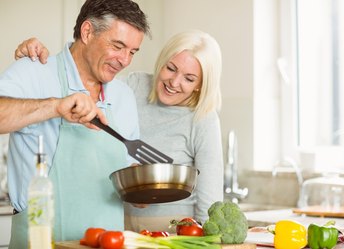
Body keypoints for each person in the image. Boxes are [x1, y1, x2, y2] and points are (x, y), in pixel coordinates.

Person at [15, 30, 224, 232]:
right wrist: (42, 63)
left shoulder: (203, 118)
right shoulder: (134, 85)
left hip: (175, 231)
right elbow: (82, 81)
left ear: (200, 85)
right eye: (170, 68)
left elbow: (210, 197)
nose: (174, 82)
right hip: (118, 224)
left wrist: (207, 240)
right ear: (161, 62)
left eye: (189, 79)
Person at [0, 0, 150, 248]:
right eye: (118, 46)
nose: (125, 60)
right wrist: (56, 106)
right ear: (88, 32)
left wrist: (141, 190)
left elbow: (124, 171)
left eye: (132, 52)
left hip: (108, 243)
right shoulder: (35, 71)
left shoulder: (123, 96)